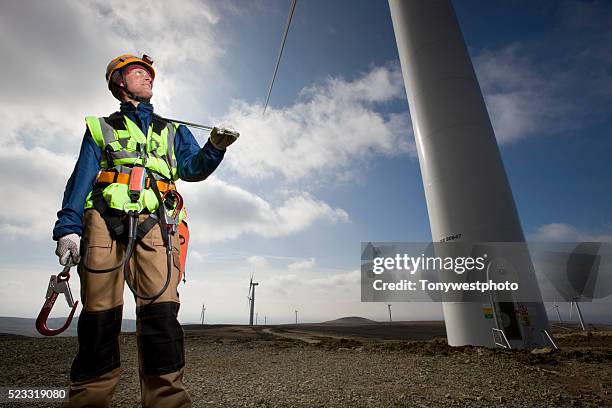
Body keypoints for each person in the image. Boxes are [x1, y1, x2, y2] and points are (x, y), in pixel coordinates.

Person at [53, 54, 238, 408]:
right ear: (119, 83)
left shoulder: (172, 129)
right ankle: (88, 401)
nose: (148, 77)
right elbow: (80, 179)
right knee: (99, 317)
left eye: (150, 74)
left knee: (162, 316)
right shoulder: (100, 127)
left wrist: (214, 148)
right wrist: (68, 228)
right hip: (103, 220)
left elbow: (191, 168)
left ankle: (167, 401)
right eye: (139, 72)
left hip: (158, 222)